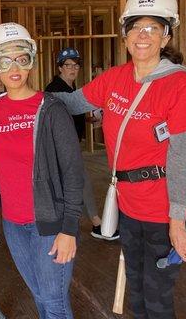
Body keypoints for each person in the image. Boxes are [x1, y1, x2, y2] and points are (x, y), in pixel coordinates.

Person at [55, 0, 186, 319]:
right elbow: (71, 103)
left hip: (164, 207)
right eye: (136, 27)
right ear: (125, 35)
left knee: (157, 295)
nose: (143, 35)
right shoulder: (114, 79)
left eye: (153, 28)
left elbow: (180, 158)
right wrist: (19, 97)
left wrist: (177, 224)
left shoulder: (181, 86)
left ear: (165, 37)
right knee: (137, 287)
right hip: (128, 203)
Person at [0, 22, 84, 319]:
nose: (14, 67)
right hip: (14, 223)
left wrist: (69, 229)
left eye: (21, 58)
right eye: (5, 60)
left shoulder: (51, 109)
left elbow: (73, 172)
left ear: (31, 61)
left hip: (50, 223)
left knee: (53, 300)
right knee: (39, 294)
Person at [45, 48, 118, 241]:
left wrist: (87, 121)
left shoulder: (70, 89)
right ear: (60, 68)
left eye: (75, 65)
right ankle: (96, 224)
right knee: (80, 182)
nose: (72, 69)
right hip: (61, 147)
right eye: (68, 65)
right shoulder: (54, 90)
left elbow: (68, 116)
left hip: (70, 145)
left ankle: (80, 223)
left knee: (73, 183)